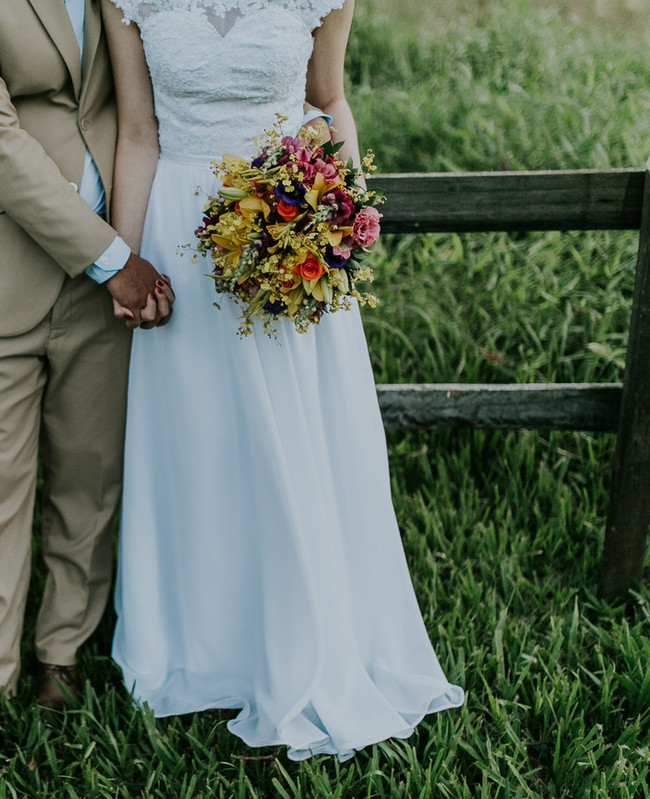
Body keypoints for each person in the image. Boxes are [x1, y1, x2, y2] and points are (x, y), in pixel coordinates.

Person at [102, 0, 465, 760]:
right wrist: (129, 263)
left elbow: (329, 101)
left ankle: (306, 648)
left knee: (291, 443)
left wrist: (340, 217)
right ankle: (205, 647)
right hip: (181, 232)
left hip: (286, 223)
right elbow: (138, 133)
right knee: (201, 441)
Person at [0, 0, 174, 785]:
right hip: (1, 268)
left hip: (112, 268)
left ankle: (63, 654)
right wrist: (110, 257)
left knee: (91, 474)